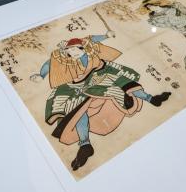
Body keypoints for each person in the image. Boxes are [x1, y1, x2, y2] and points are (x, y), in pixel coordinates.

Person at [31, 32, 170, 171]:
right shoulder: (68, 61)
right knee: (76, 108)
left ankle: (152, 99)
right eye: (69, 51)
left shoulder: (90, 51)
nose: (71, 53)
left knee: (123, 82)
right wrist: (41, 74)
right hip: (82, 84)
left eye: (74, 49)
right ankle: (85, 145)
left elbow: (92, 39)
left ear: (81, 48)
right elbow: (50, 62)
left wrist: (106, 35)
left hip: (101, 73)